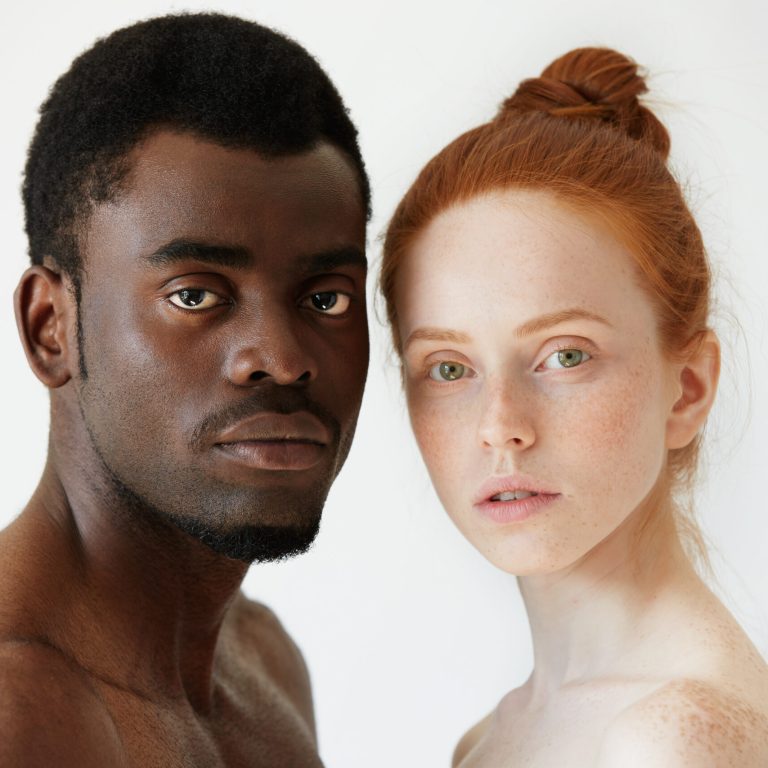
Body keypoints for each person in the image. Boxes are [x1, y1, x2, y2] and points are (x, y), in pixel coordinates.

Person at [380, 47, 768, 766]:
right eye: (449, 367)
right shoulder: (491, 741)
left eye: (566, 355)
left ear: (687, 389)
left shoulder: (670, 742)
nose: (501, 427)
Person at [0, 12, 369, 767]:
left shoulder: (265, 664)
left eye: (326, 298)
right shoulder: (17, 709)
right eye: (196, 295)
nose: (282, 358)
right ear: (51, 329)